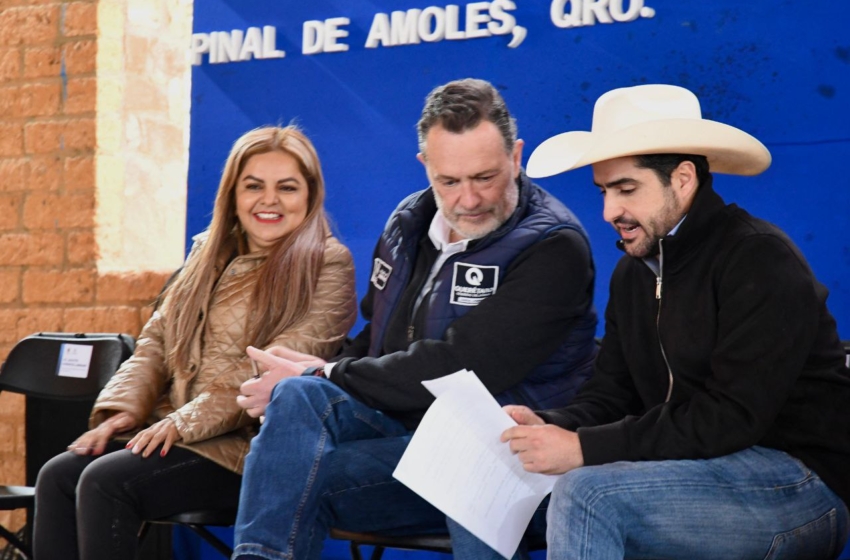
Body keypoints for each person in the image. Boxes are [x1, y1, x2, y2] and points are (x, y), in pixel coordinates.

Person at [449, 83, 850, 559]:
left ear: (682, 179)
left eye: (626, 189)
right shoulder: (633, 272)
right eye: (603, 191)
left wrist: (582, 449)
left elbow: (731, 418)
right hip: (687, 466)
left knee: (589, 493)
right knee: (486, 486)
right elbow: (612, 394)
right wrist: (549, 425)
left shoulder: (759, 257)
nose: (608, 211)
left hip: (799, 483)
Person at [231, 78, 598, 559]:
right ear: (425, 165)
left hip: (502, 454)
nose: (468, 199)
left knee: (297, 471)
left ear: (516, 156)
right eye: (449, 181)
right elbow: (375, 341)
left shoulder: (553, 245)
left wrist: (324, 371)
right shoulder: (408, 223)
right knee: (298, 399)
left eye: (485, 177)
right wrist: (310, 375)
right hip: (407, 433)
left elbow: (463, 364)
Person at [32, 126, 358, 560]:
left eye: (287, 187)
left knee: (105, 482)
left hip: (249, 447)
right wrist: (123, 411)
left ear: (309, 194)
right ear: (233, 193)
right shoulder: (206, 252)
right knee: (57, 475)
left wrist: (184, 422)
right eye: (254, 186)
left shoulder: (328, 262)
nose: (269, 200)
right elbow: (155, 340)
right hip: (175, 430)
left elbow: (273, 368)